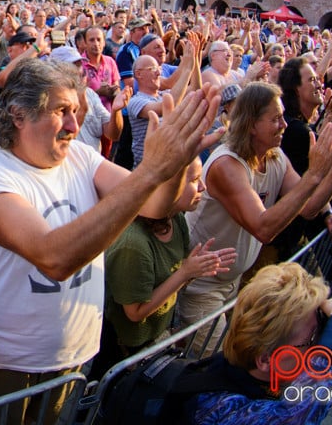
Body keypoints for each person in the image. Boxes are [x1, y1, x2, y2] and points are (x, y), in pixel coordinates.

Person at [0, 58, 219, 424]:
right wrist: (153, 170)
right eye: (62, 111)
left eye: (77, 111)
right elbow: (55, 257)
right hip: (14, 363)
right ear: (18, 115)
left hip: (77, 356)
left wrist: (177, 161)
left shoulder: (79, 156)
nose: (74, 126)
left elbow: (155, 204)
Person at [178, 83, 332, 345]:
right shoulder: (227, 165)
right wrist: (313, 174)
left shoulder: (275, 156)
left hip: (234, 281)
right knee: (214, 360)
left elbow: (309, 207)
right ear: (252, 124)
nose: (285, 125)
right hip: (202, 288)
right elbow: (263, 228)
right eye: (276, 119)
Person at [90, 158, 236, 378]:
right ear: (170, 185)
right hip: (125, 353)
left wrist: (196, 268)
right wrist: (185, 272)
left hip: (157, 338)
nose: (203, 187)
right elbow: (135, 313)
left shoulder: (175, 220)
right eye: (195, 179)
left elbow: (173, 280)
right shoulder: (134, 243)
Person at [179, 263, 332, 424]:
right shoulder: (223, 408)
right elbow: (298, 413)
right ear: (267, 359)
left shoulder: (243, 372)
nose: (319, 344)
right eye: (312, 339)